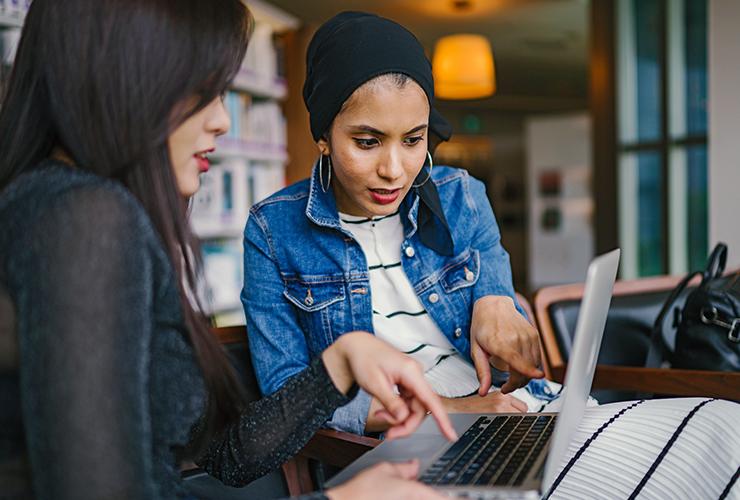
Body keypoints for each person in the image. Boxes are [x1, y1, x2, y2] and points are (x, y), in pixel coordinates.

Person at [0, 1, 456, 499]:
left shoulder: (68, 207)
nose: (221, 120)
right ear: (124, 77)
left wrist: (337, 366)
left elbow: (227, 457)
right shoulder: (85, 218)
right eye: (203, 91)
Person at [242, 11, 555, 438]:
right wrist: (451, 410)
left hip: (516, 408)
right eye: (367, 142)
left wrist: (496, 301)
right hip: (408, 443)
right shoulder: (272, 231)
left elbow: (498, 296)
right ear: (323, 137)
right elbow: (290, 397)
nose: (394, 170)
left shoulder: (461, 195)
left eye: (413, 140)